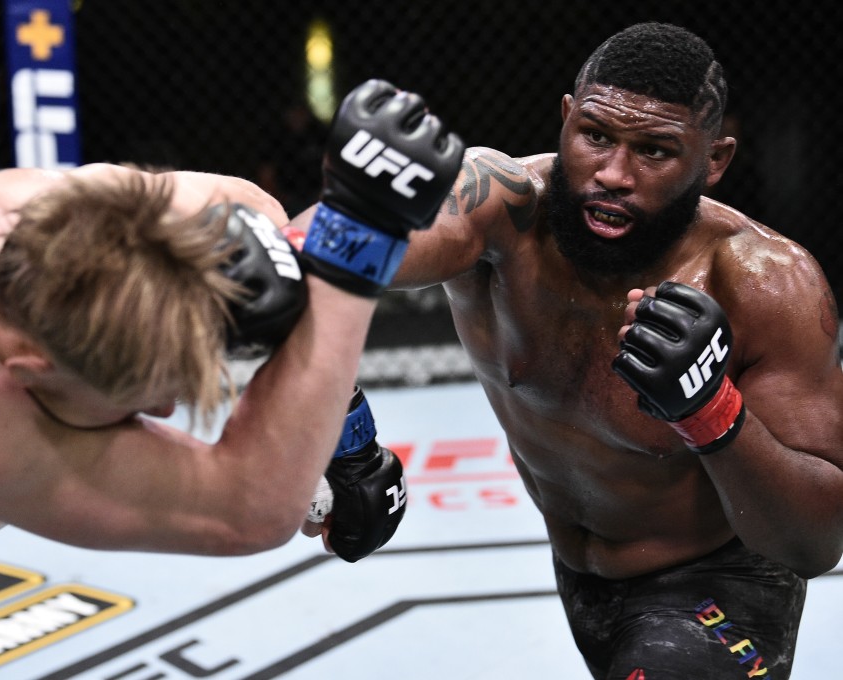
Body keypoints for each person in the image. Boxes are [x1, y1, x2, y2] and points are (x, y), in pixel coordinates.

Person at [0, 80, 463, 677]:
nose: (163, 409)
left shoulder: (26, 206)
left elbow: (251, 212)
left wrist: (341, 425)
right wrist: (358, 247)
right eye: (137, 395)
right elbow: (249, 509)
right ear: (30, 368)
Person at [295, 22, 843, 679]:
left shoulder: (766, 286)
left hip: (721, 588)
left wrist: (710, 411)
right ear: (566, 117)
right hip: (579, 575)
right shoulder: (498, 210)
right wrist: (340, 429)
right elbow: (297, 266)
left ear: (715, 161)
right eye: (596, 136)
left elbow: (814, 544)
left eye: (655, 151)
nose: (612, 175)